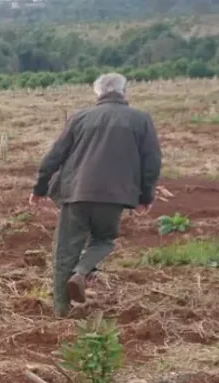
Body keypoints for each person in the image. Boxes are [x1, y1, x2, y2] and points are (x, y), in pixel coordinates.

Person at [30, 72, 161, 317]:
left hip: (75, 193)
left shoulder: (80, 117)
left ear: (97, 93)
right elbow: (152, 161)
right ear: (124, 92)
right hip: (114, 196)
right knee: (104, 240)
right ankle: (81, 272)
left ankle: (60, 309)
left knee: (65, 250)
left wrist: (39, 188)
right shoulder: (141, 120)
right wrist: (145, 197)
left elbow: (54, 155)